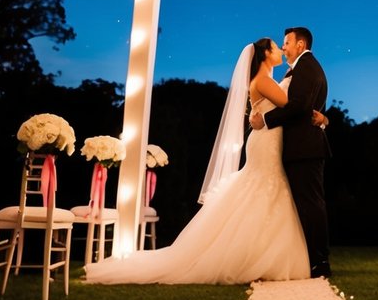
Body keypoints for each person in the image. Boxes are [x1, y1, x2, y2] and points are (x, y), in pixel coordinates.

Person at [84, 38, 313, 285]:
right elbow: (289, 104)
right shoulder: (264, 80)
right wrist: (291, 81)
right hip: (265, 142)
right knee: (264, 187)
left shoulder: (262, 80)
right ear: (266, 54)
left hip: (266, 140)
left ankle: (261, 252)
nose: (280, 49)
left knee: (263, 189)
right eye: (276, 46)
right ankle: (255, 257)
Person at [250, 26, 331, 279]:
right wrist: (320, 118)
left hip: (304, 148)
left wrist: (265, 118)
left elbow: (299, 106)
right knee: (305, 204)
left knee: (311, 204)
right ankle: (310, 259)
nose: (283, 47)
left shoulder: (306, 66)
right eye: (280, 44)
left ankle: (320, 262)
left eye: (286, 42)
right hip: (298, 146)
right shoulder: (300, 69)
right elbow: (306, 106)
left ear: (300, 44)